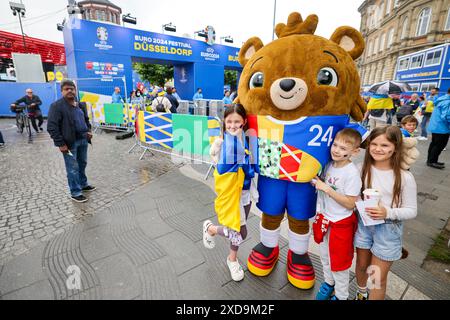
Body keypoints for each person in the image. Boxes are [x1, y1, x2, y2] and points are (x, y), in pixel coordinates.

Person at [354, 126, 417, 300]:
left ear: (395, 147)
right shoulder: (361, 168)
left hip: (388, 231)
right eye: (373, 144)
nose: (377, 149)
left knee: (376, 277)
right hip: (364, 224)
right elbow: (351, 195)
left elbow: (412, 210)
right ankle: (361, 294)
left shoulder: (405, 177)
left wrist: (386, 212)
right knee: (361, 266)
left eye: (384, 145)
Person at [202, 104, 256, 282]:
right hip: (233, 195)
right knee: (241, 232)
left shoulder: (248, 140)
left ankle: (230, 255)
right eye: (229, 121)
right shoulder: (225, 143)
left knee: (238, 230)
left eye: (237, 122)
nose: (233, 125)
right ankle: (213, 232)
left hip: (246, 192)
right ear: (224, 122)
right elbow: (223, 169)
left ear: (244, 122)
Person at [312, 128, 362, 301]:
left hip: (341, 224)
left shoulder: (352, 173)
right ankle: (328, 283)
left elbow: (350, 203)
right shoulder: (329, 164)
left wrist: (326, 188)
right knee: (325, 257)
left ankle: (341, 296)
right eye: (335, 145)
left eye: (343, 148)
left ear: (354, 152)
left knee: (339, 264)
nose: (336, 150)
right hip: (325, 218)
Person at [47, 79, 96, 203]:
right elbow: (51, 127)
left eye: (72, 89)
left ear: (75, 90)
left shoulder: (80, 104)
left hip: (83, 140)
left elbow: (86, 120)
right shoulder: (56, 106)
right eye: (66, 89)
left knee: (82, 163)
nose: (70, 91)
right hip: (69, 143)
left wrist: (88, 131)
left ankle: (83, 184)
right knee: (72, 167)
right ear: (62, 91)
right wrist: (61, 143)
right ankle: (75, 192)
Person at [426, 87, 450, 169]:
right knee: (439, 145)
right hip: (442, 127)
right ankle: (432, 161)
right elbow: (447, 116)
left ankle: (431, 160)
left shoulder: (441, 99)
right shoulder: (448, 102)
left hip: (436, 126)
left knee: (434, 144)